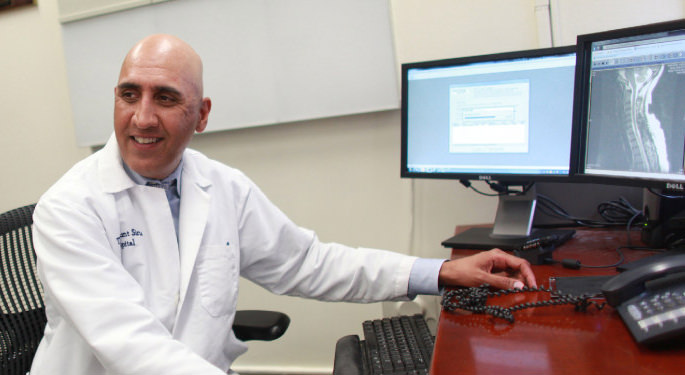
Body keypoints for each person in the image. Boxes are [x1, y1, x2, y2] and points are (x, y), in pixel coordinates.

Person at [30, 34, 536, 375]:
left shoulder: (222, 186)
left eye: (165, 98)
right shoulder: (69, 208)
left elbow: (309, 263)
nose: (141, 118)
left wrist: (440, 272)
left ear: (201, 114)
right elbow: (131, 346)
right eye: (128, 94)